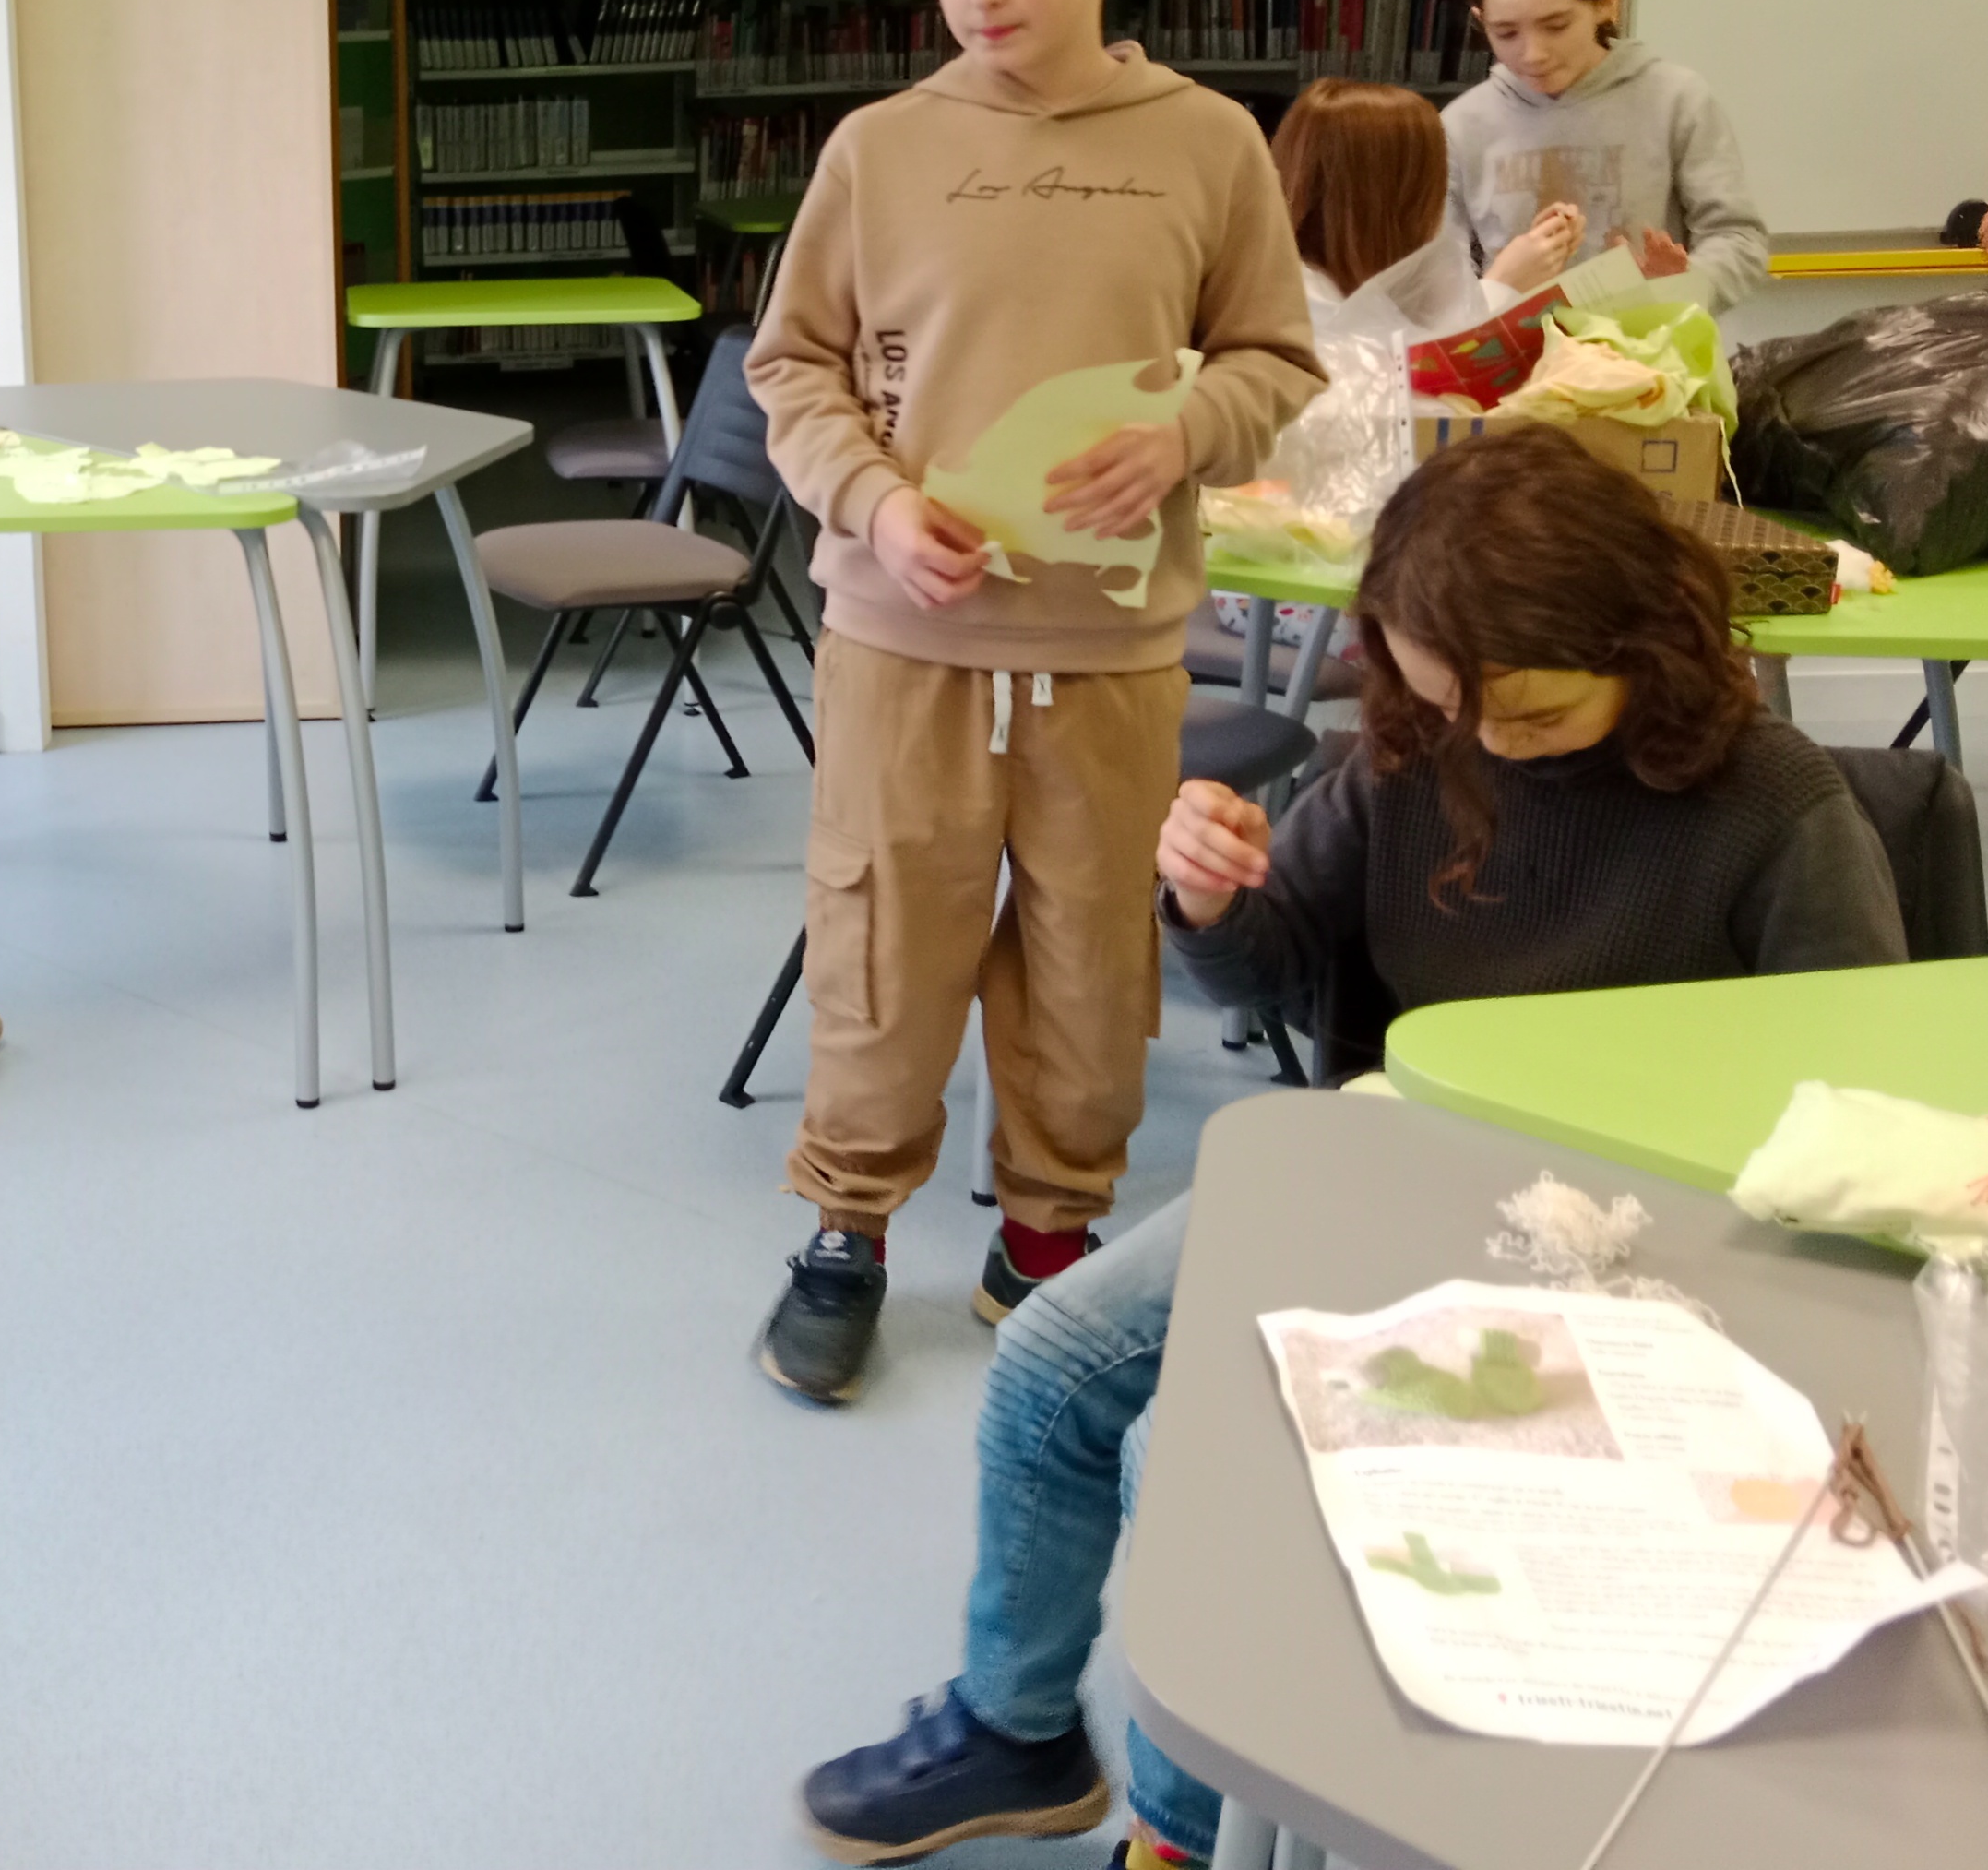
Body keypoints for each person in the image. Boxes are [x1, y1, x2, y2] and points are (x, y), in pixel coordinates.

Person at [794, 427, 1908, 1868]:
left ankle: (1180, 1835)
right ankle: (1018, 1731)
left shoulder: (1775, 809)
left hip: (1634, 1261)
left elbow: (1851, 1118)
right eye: (1448, 701)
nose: (1487, 741)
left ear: (1643, 645)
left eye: (1533, 710)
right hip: (1393, 1173)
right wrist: (1209, 900)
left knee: (1184, 1458)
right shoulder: (1419, 751)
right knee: (1050, 1360)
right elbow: (1277, 966)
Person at [744, 0, 1325, 1400]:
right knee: (884, 936)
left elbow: (1276, 358)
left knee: (1089, 951)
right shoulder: (879, 149)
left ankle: (1049, 1237)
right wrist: (874, 502)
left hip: (1112, 649)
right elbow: (793, 367)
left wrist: (1186, 435)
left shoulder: (1206, 144)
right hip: (902, 638)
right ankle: (848, 1230)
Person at [1440, 0, 1768, 313]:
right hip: (1516, 348)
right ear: (1481, 21)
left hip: (1649, 343)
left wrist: (1678, 291)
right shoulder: (1461, 125)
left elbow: (1737, 238)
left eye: (1556, 26)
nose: (1533, 54)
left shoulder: (1674, 98)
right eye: (1506, 33)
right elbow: (1439, 273)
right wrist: (1494, 291)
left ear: (1605, 5)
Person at [1272, 76, 1579, 341]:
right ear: (1400, 195)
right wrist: (1504, 284)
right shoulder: (1299, 301)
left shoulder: (1397, 267)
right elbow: (1428, 371)